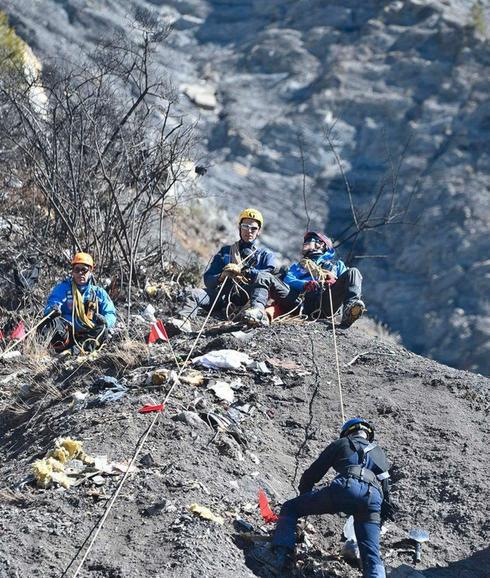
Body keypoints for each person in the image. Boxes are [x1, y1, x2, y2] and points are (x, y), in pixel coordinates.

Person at [253, 418, 395, 577]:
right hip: (373, 498)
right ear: (368, 435)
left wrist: (305, 496)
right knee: (371, 554)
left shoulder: (342, 443)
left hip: (346, 488)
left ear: (347, 432)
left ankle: (279, 558)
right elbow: (386, 490)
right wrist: (378, 518)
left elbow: (314, 473)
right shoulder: (380, 453)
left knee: (290, 507)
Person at [169, 208, 288, 330]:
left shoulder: (265, 255)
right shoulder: (225, 252)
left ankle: (257, 312)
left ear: (259, 232)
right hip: (224, 296)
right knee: (194, 294)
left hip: (249, 299)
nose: (249, 231)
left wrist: (247, 271)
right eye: (245, 226)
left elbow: (267, 276)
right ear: (239, 228)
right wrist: (222, 276)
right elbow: (208, 280)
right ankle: (183, 321)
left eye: (254, 228)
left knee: (262, 280)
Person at [280, 231, 365, 327]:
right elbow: (288, 279)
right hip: (306, 303)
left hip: (327, 302)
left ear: (320, 244)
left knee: (353, 272)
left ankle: (350, 310)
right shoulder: (299, 266)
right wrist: (305, 284)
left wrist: (334, 281)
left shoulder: (336, 265)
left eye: (309, 240)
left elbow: (347, 283)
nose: (304, 243)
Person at [40, 252, 117, 353]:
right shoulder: (63, 289)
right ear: (73, 272)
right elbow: (51, 304)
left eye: (84, 270)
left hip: (89, 335)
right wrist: (52, 310)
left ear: (90, 271)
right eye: (77, 269)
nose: (80, 273)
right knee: (51, 321)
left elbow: (110, 313)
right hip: (67, 334)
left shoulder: (98, 293)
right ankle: (43, 350)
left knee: (103, 328)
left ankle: (78, 351)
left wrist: (106, 320)